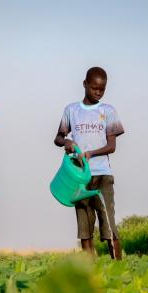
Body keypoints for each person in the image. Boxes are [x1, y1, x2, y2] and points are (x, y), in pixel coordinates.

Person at [54, 67, 124, 259]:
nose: (98, 92)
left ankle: (118, 266)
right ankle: (89, 271)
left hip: (102, 175)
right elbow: (58, 138)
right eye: (94, 88)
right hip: (79, 178)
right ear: (85, 84)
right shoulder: (71, 110)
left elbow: (111, 146)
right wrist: (67, 142)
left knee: (109, 224)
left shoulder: (108, 111)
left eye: (102, 89)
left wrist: (91, 153)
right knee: (84, 228)